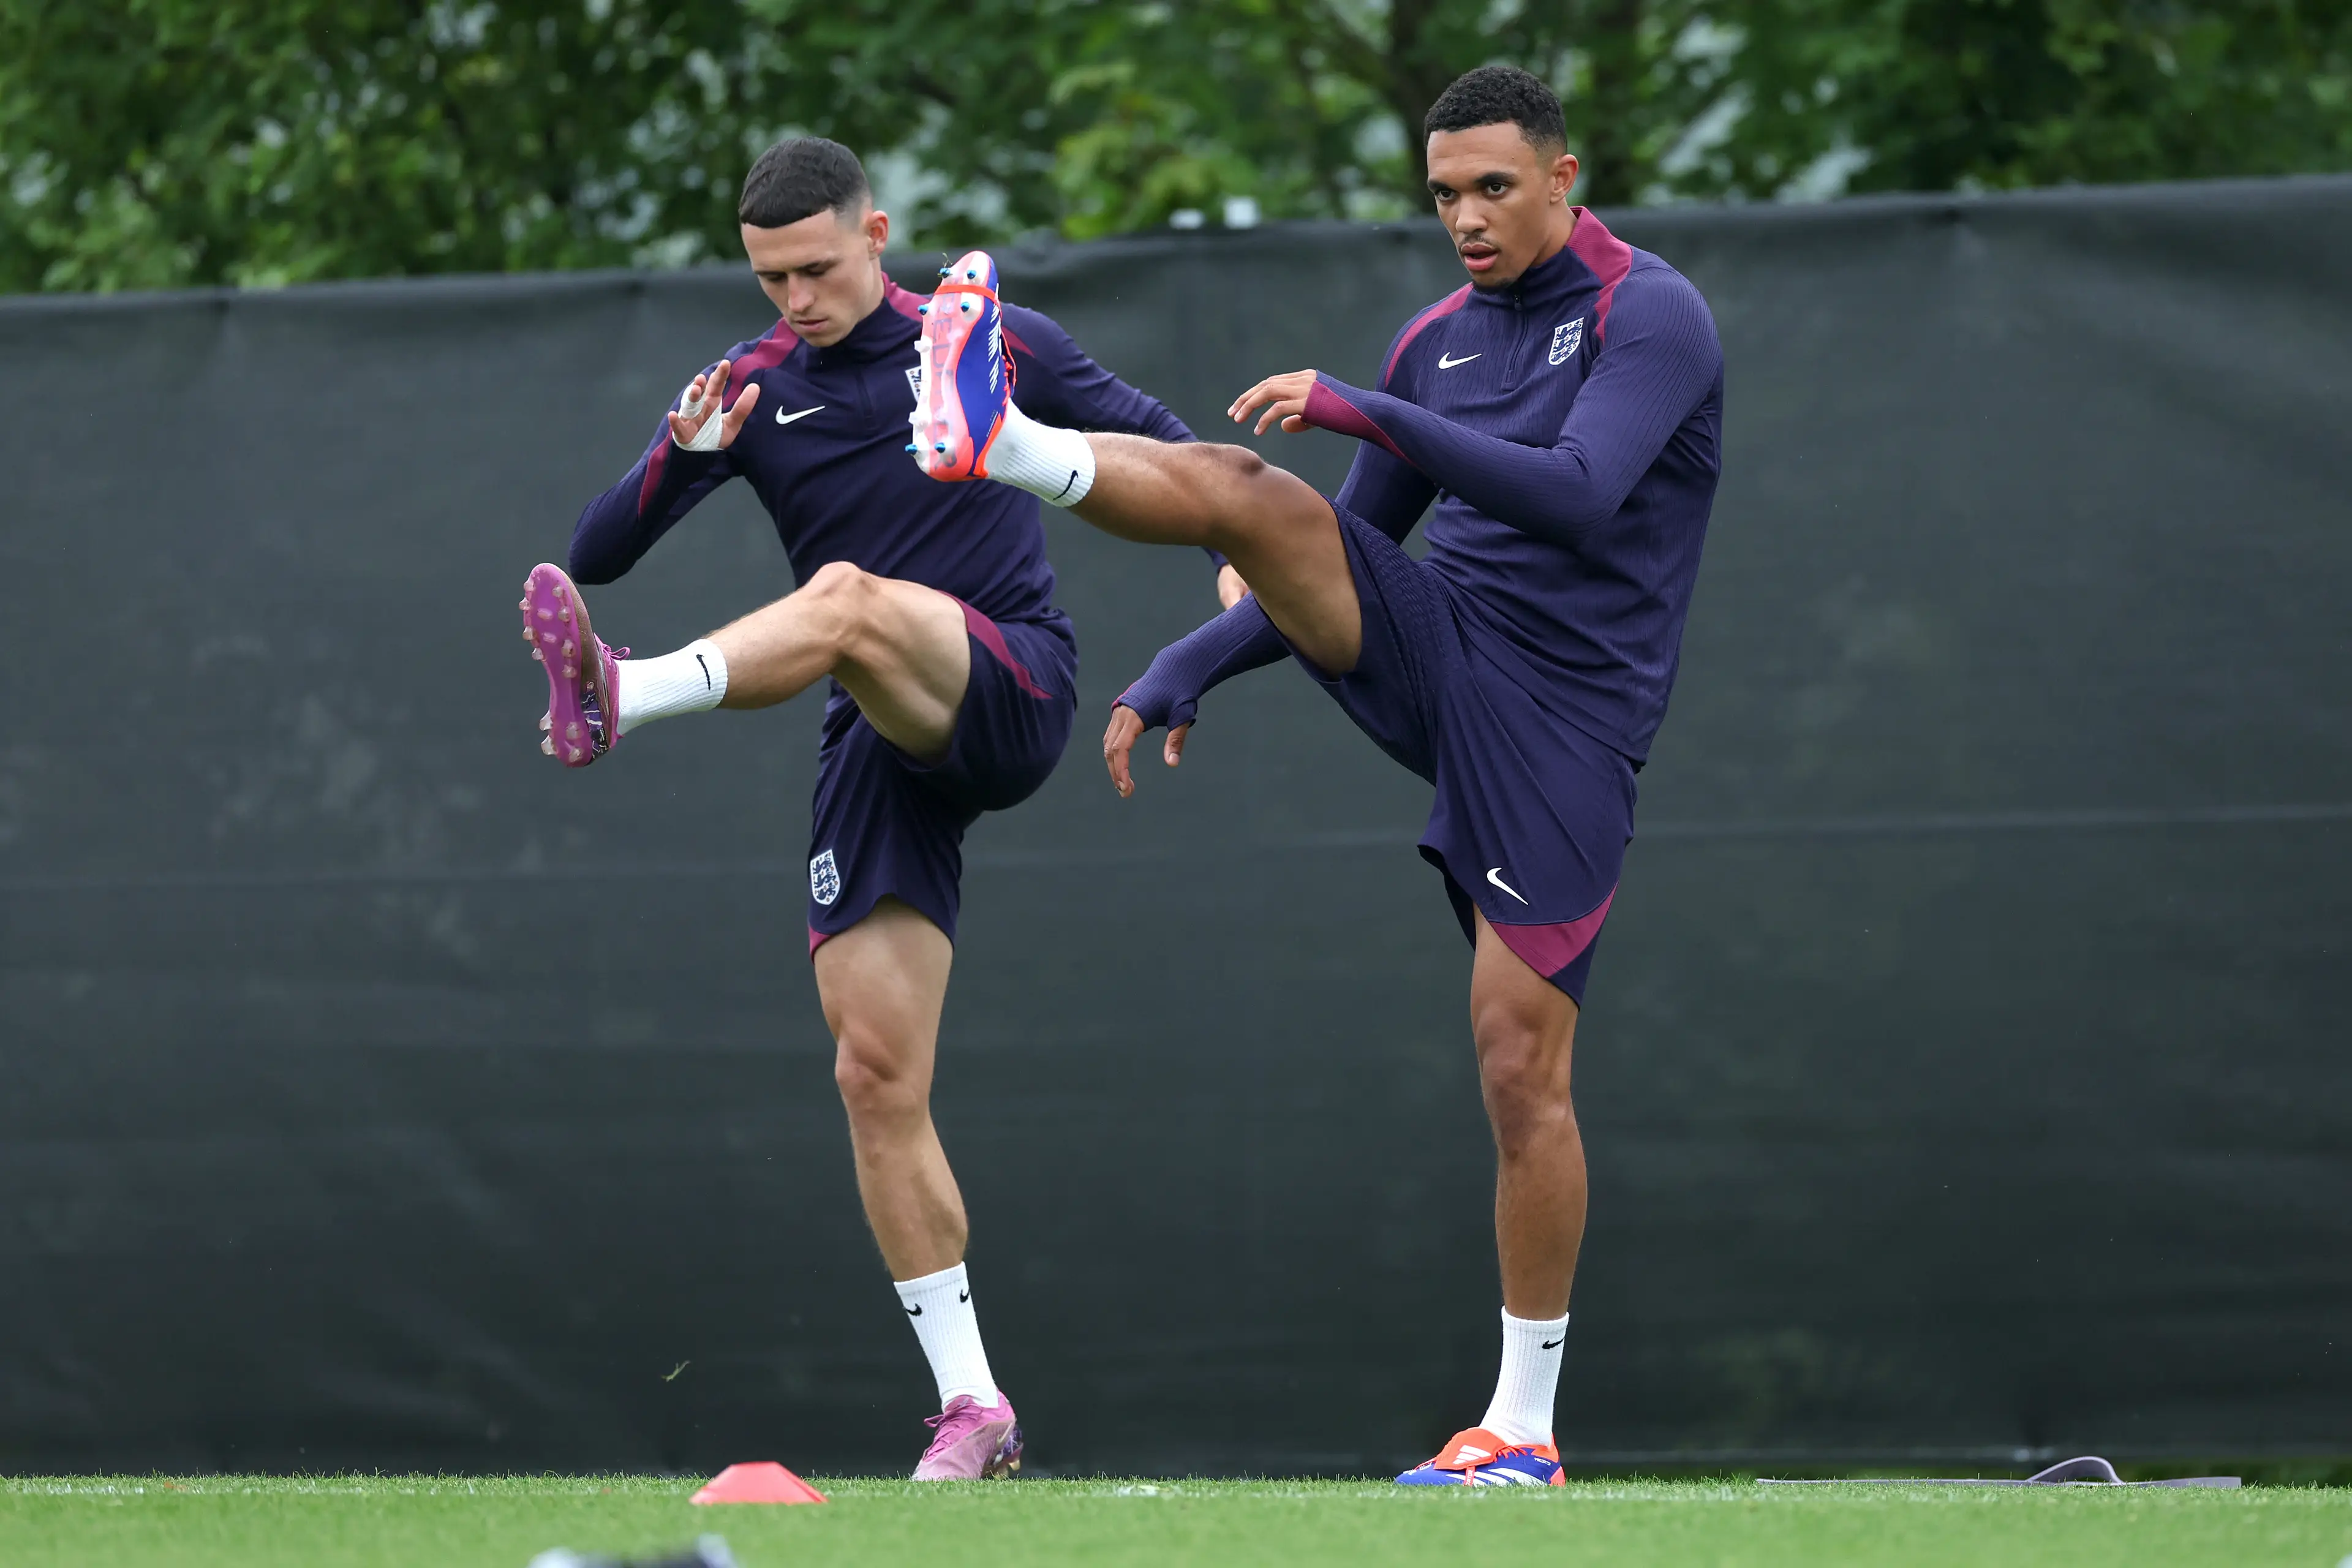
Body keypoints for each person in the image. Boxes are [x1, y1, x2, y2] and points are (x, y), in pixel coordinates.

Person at [908, 66, 1723, 1486]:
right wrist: (1189, 667)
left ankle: (1521, 1428)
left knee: (1520, 1065)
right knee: (1249, 493)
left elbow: (1586, 493)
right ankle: (1004, 441)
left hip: (1565, 724)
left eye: (1493, 188)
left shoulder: (1649, 313)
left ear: (1564, 176)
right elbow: (1330, 552)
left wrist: (1364, 408)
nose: (1464, 218)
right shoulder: (1436, 342)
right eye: (1443, 195)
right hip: (1435, 646)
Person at [516, 135, 1193, 1479]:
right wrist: (675, 451)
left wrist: (1245, 568)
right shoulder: (757, 384)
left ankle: (623, 696)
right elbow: (594, 551)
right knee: (874, 1074)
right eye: (770, 277)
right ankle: (974, 1407)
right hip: (874, 728)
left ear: (878, 234)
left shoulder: (986, 331)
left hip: (1005, 680)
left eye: (817, 268)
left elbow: (1168, 448)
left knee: (843, 598)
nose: (795, 299)